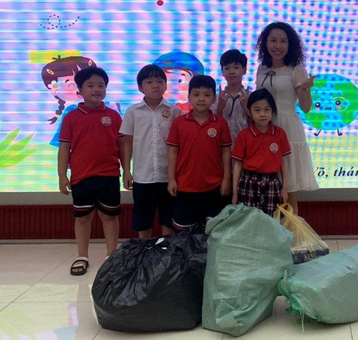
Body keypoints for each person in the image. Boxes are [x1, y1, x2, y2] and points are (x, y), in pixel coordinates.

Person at [57, 67, 125, 276]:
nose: (97, 89)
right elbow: (64, 148)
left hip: (109, 175)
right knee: (83, 218)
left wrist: (127, 170)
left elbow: (122, 146)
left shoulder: (113, 116)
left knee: (109, 217)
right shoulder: (71, 117)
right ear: (79, 90)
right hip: (81, 176)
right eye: (91, 85)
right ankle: (82, 256)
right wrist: (62, 176)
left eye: (101, 85)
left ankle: (111, 255)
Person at [255, 22, 317, 214]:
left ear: (290, 45)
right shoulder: (261, 68)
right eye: (273, 40)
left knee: (288, 190)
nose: (278, 45)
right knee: (268, 186)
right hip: (264, 127)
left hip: (287, 127)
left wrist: (305, 89)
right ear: (265, 43)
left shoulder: (296, 69)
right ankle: (271, 230)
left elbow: (306, 107)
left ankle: (291, 231)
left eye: (283, 41)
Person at [120, 64, 182, 239]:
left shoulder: (175, 111)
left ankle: (166, 251)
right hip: (142, 176)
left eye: (160, 81)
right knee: (143, 220)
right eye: (149, 82)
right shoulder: (133, 111)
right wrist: (126, 170)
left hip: (168, 176)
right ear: (140, 87)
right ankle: (144, 251)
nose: (155, 85)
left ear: (165, 85)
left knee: (168, 220)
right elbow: (127, 142)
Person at [166, 75, 232, 229]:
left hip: (213, 187)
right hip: (184, 186)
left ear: (214, 98)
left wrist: (226, 179)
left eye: (207, 95)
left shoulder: (220, 123)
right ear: (189, 97)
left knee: (211, 232)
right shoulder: (179, 122)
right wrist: (171, 179)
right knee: (183, 233)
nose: (201, 99)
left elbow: (226, 152)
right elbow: (173, 152)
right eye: (196, 94)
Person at [231, 89, 290, 216]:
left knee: (271, 220)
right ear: (249, 112)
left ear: (273, 111)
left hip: (272, 182)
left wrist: (285, 189)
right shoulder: (244, 135)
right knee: (247, 219)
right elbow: (237, 164)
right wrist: (235, 192)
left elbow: (284, 162)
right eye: (257, 110)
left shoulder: (280, 134)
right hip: (248, 182)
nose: (262, 114)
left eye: (267, 110)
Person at [211, 49, 251, 145]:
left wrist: (247, 108)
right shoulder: (216, 98)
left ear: (244, 70)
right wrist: (220, 108)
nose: (231, 72)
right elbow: (212, 128)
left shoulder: (251, 97)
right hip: (222, 147)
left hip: (246, 146)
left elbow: (258, 126)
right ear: (222, 71)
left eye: (236, 67)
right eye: (227, 68)